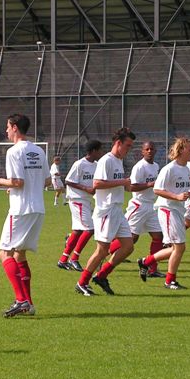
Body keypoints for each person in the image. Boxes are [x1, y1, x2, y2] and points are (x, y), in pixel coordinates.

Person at [0, 114, 50, 317]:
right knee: (20, 254)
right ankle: (29, 304)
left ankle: (20, 299)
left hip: (20, 210)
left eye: (7, 127)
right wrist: (18, 188)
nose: (6, 131)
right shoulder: (38, 150)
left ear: (15, 127)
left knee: (4, 252)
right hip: (38, 209)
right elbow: (47, 181)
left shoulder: (13, 152)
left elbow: (17, 182)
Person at [74, 127, 136, 296]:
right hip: (106, 211)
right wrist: (122, 182)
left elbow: (117, 183)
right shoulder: (106, 160)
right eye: (128, 145)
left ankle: (101, 275)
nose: (129, 149)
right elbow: (97, 184)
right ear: (118, 143)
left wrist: (126, 184)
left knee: (128, 246)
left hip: (117, 209)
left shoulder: (118, 161)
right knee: (102, 250)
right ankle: (82, 282)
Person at [137, 138, 190, 290]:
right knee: (179, 247)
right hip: (167, 209)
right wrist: (176, 197)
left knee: (176, 248)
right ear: (181, 150)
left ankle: (146, 261)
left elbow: (179, 190)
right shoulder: (169, 169)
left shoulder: (186, 169)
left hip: (177, 210)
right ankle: (170, 281)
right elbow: (157, 189)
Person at [108, 141, 165, 278]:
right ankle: (103, 253)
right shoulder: (139, 167)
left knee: (158, 236)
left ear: (155, 150)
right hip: (139, 205)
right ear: (142, 151)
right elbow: (132, 187)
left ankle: (152, 268)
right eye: (147, 149)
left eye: (152, 149)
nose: (150, 151)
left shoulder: (156, 166)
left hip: (151, 206)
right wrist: (149, 184)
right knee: (131, 238)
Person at [58, 140, 103, 272]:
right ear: (93, 151)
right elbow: (68, 181)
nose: (101, 152)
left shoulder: (96, 165)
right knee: (90, 229)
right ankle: (74, 259)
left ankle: (63, 260)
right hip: (77, 199)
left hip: (86, 200)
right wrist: (85, 188)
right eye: (99, 150)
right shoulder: (79, 164)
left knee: (78, 231)